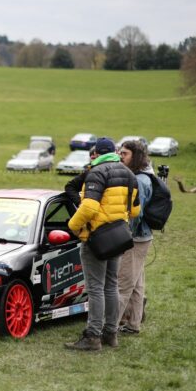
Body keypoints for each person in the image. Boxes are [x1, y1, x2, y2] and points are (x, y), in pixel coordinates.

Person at [65, 137, 139, 351]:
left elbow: (88, 208)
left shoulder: (97, 172)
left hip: (96, 238)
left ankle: (93, 337)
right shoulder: (129, 174)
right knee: (111, 285)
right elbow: (135, 211)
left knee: (95, 288)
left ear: (97, 152)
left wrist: (73, 226)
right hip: (118, 238)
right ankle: (110, 334)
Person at [117, 140, 153, 335]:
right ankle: (133, 324)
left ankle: (110, 327)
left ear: (135, 156)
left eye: (125, 154)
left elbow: (136, 214)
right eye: (120, 153)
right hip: (143, 237)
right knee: (137, 284)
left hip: (136, 239)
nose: (120, 157)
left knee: (123, 284)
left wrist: (126, 235)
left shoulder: (139, 180)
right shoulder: (144, 176)